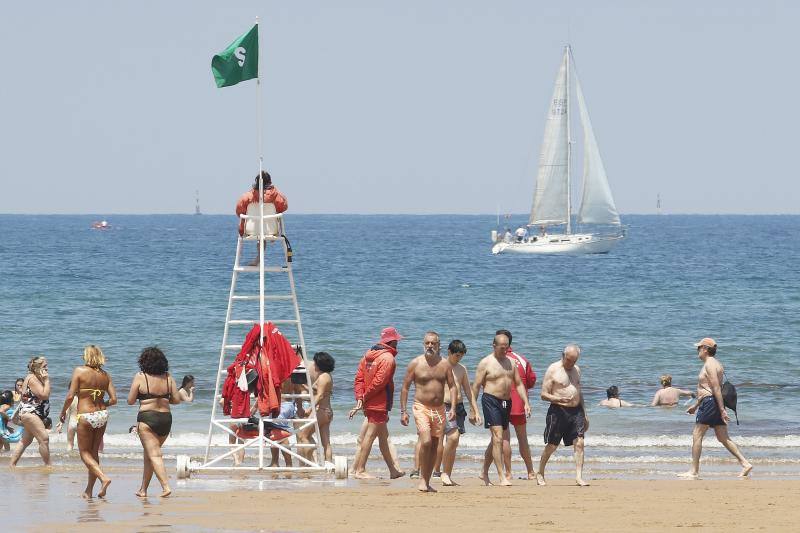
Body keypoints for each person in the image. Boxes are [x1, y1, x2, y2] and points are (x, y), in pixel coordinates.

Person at [679, 338, 752, 479]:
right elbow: (707, 389)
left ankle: (693, 471)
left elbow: (715, 388)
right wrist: (695, 406)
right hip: (711, 403)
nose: (697, 351)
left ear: (705, 349)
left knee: (697, 435)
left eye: (699, 348)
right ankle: (745, 463)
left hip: (711, 403)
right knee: (723, 437)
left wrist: (722, 410)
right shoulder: (714, 363)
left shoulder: (710, 364)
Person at [399, 332, 458, 492]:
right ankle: (422, 478)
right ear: (423, 344)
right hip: (421, 407)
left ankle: (425, 480)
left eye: (433, 343)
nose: (430, 346)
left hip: (439, 409)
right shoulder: (415, 364)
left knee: (434, 445)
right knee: (425, 441)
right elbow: (405, 387)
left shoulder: (445, 365)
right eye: (427, 343)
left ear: (439, 346)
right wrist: (403, 411)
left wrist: (452, 408)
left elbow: (452, 386)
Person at [472, 332, 531, 487]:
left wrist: (525, 403)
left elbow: (518, 384)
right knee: (498, 438)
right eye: (501, 348)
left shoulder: (511, 363)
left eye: (506, 347)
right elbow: (476, 386)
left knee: (495, 440)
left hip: (506, 402)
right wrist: (474, 409)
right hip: (490, 400)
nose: (504, 350)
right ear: (494, 345)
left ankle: (483, 471)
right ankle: (501, 476)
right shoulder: (486, 363)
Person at [59, 345, 117, 498]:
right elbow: (114, 399)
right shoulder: (106, 375)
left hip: (86, 415)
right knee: (93, 453)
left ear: (86, 356)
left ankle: (103, 478)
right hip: (102, 415)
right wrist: (103, 404)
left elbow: (70, 396)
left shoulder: (80, 371)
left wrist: (63, 411)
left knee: (84, 453)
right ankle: (89, 491)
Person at [349, 327, 406, 479]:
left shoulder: (367, 356)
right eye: (397, 341)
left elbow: (359, 379)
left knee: (383, 438)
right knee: (370, 436)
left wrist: (360, 398)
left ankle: (393, 471)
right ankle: (360, 470)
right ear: (392, 342)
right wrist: (365, 398)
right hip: (379, 404)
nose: (397, 344)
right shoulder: (388, 359)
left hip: (369, 403)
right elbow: (379, 383)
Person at [127, 346, 181, 497]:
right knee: (149, 455)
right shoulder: (168, 377)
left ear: (144, 362)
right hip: (165, 419)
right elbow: (176, 400)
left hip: (147, 418)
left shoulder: (140, 377)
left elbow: (130, 401)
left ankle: (166, 487)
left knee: (154, 455)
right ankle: (143, 489)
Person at [537, 344, 590, 487]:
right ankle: (540, 472)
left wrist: (585, 413)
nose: (571, 364)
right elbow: (543, 395)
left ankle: (579, 477)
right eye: (569, 360)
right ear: (563, 355)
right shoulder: (553, 369)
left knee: (579, 443)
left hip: (576, 411)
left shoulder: (577, 370)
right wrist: (558, 399)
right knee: (552, 445)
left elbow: (579, 392)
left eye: (574, 361)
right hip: (558, 410)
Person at [434, 339, 480, 486]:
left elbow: (468, 390)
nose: (459, 358)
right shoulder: (440, 366)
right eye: (456, 355)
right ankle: (441, 472)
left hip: (459, 407)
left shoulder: (462, 369)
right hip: (444, 406)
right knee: (451, 438)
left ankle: (446, 474)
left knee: (454, 442)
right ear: (449, 352)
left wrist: (475, 410)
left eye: (461, 356)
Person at [498, 329, 537, 480]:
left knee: (504, 438)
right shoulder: (521, 359)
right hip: (519, 403)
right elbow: (531, 381)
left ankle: (508, 473)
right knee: (522, 438)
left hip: (501, 402)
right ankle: (530, 471)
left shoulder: (495, 360)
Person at [235, 170, 289, 266]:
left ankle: (258, 258)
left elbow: (239, 211)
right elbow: (284, 207)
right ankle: (272, 237)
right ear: (269, 182)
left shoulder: (247, 196)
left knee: (261, 233)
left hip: (251, 230)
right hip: (271, 229)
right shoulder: (276, 196)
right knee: (274, 217)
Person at [10, 356, 52, 467]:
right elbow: (44, 395)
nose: (47, 368)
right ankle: (48, 466)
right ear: (37, 368)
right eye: (45, 366)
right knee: (44, 439)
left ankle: (12, 464)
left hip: (29, 414)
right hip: (30, 414)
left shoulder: (33, 377)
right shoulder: (32, 378)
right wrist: (47, 380)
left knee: (25, 441)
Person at [308, 352, 335, 462]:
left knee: (303, 435)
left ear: (320, 364)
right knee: (326, 443)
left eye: (315, 363)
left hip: (322, 411)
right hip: (327, 411)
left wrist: (310, 409)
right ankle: (328, 465)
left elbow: (319, 395)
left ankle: (310, 462)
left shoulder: (323, 377)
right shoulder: (327, 376)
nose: (313, 365)